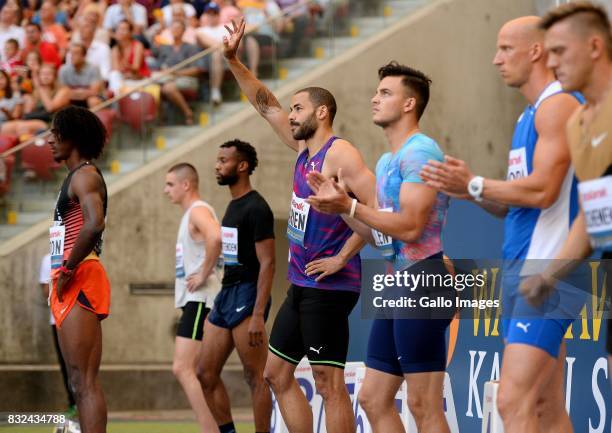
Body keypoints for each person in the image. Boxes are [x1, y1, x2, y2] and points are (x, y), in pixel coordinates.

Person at [420, 16, 583, 433]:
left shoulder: (558, 104)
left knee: (512, 400)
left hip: (549, 271)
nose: (496, 60)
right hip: (523, 269)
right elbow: (518, 204)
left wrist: (474, 181)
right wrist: (471, 191)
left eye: (506, 48)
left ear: (536, 51)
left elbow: (544, 190)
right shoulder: (529, 115)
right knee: (545, 406)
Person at [222, 19, 375, 433]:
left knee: (327, 383)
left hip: (330, 286)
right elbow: (265, 103)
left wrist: (342, 257)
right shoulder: (304, 148)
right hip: (301, 283)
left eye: (299, 108)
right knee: (276, 374)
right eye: (292, 109)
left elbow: (378, 211)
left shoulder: (340, 153)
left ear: (322, 112)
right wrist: (233, 60)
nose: (290, 115)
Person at [306, 61, 454, 433]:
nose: (375, 98)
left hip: (423, 280)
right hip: (396, 282)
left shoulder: (421, 151)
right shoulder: (388, 160)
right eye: (377, 91)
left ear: (409, 104)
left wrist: (351, 205)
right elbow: (381, 235)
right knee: (373, 398)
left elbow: (410, 226)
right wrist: (340, 208)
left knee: (423, 404)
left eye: (385, 92)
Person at [520, 0, 612, 387]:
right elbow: (592, 217)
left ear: (594, 46)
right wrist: (549, 274)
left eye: (559, 51)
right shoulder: (579, 121)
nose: (551, 63)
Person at [198, 139, 275, 433]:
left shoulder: (257, 208)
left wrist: (257, 314)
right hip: (226, 295)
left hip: (248, 293)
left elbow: (268, 263)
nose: (217, 166)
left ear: (242, 166)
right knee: (204, 373)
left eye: (223, 161)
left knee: (255, 375)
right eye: (217, 160)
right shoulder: (232, 206)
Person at [48, 105, 110, 433]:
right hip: (68, 276)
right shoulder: (74, 177)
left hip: (80, 274)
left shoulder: (85, 175)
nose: (48, 140)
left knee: (85, 380)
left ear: (74, 136)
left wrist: (69, 269)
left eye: (56, 134)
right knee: (76, 381)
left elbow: (94, 223)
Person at [164, 162, 222, 433]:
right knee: (200, 372)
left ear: (186, 184)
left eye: (170, 184)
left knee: (182, 367)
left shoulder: (198, 211)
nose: (166, 191)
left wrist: (202, 274)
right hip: (196, 301)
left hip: (200, 300)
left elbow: (215, 237)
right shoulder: (190, 214)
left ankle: (209, 429)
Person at [39, 253, 78, 419]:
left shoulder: (79, 254)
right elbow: (45, 291)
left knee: (79, 366)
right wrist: (60, 281)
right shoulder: (48, 259)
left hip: (77, 318)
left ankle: (82, 403)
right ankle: (73, 403)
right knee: (65, 365)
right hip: (57, 320)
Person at [153, 19, 204, 124]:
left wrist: (175, 73)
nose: (175, 30)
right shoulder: (165, 48)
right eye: (173, 28)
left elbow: (196, 70)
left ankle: (187, 112)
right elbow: (160, 66)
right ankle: (160, 118)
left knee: (168, 88)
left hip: (187, 79)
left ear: (183, 31)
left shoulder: (191, 48)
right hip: (166, 79)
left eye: (178, 28)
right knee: (155, 87)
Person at [1, 63, 69, 137]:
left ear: (55, 76)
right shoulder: (36, 92)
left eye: (49, 74)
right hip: (35, 120)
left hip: (52, 123)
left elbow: (50, 108)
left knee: (21, 127)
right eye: (43, 74)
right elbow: (29, 112)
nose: (45, 76)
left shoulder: (63, 90)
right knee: (14, 127)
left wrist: (39, 87)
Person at [196, 1, 228, 105]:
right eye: (209, 13)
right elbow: (213, 45)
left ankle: (216, 91)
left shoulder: (226, 27)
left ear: (218, 15)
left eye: (214, 13)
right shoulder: (200, 30)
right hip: (207, 60)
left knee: (217, 53)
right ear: (205, 15)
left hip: (227, 56)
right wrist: (222, 46)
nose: (211, 16)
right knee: (215, 53)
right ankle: (215, 91)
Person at [109, 20, 150, 95]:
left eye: (124, 29)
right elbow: (116, 69)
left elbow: (136, 68)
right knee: (114, 75)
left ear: (130, 33)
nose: (120, 31)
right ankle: (119, 97)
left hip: (138, 78)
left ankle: (118, 98)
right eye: (118, 29)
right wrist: (125, 69)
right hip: (123, 78)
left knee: (115, 78)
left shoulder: (137, 46)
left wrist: (126, 67)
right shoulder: (115, 49)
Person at [59, 43, 105, 108]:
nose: (72, 56)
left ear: (84, 56)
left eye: (76, 53)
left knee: (93, 101)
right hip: (72, 99)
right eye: (71, 53)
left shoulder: (94, 69)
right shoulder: (63, 69)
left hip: (89, 98)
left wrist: (72, 93)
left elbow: (94, 92)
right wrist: (82, 93)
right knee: (61, 99)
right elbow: (63, 91)